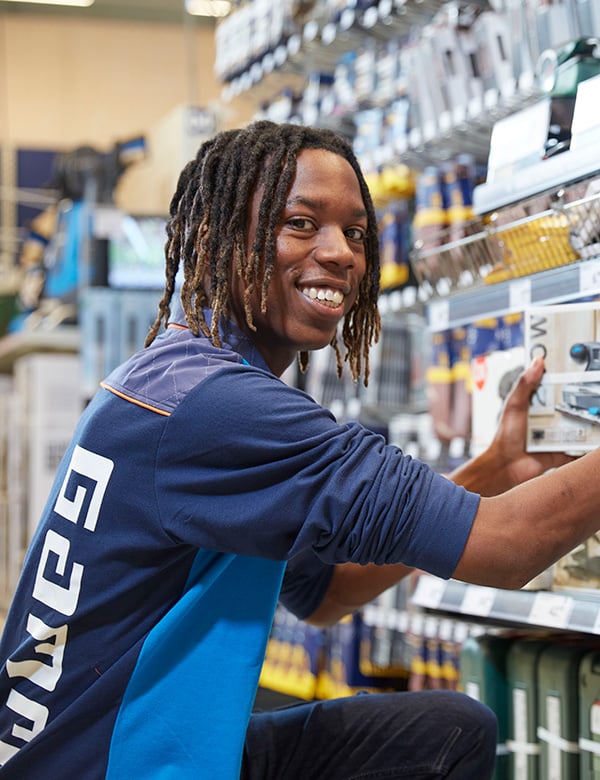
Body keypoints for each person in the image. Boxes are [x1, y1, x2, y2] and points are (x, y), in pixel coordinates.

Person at [0, 119, 593, 779]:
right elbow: (509, 549)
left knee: (443, 734)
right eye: (301, 223)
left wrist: (491, 471)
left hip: (90, 756)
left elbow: (322, 595)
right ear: (214, 239)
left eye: (356, 231)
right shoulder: (219, 408)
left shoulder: (177, 376)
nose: (341, 252)